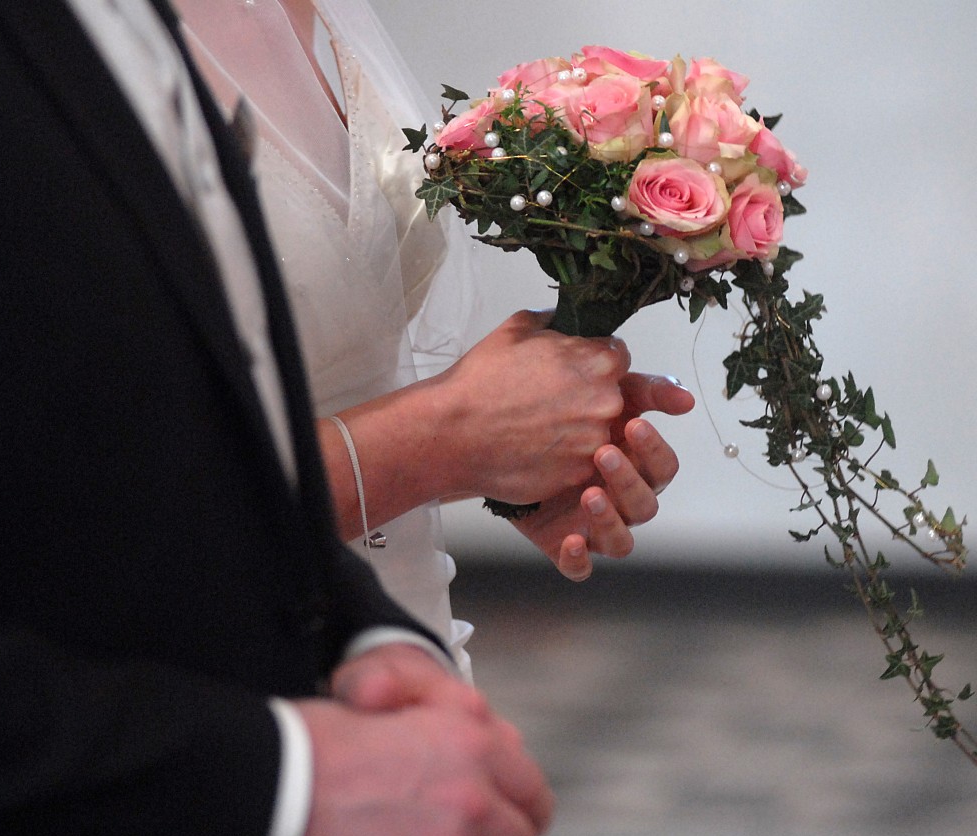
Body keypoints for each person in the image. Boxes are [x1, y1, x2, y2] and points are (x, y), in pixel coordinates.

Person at [0, 1, 553, 836]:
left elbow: (132, 422)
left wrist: (368, 631)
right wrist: (284, 779)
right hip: (127, 769)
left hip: (364, 687)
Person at [175, 0, 695, 673]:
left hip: (411, 624)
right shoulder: (64, 43)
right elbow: (124, 503)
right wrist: (444, 436)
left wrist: (515, 453)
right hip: (231, 676)